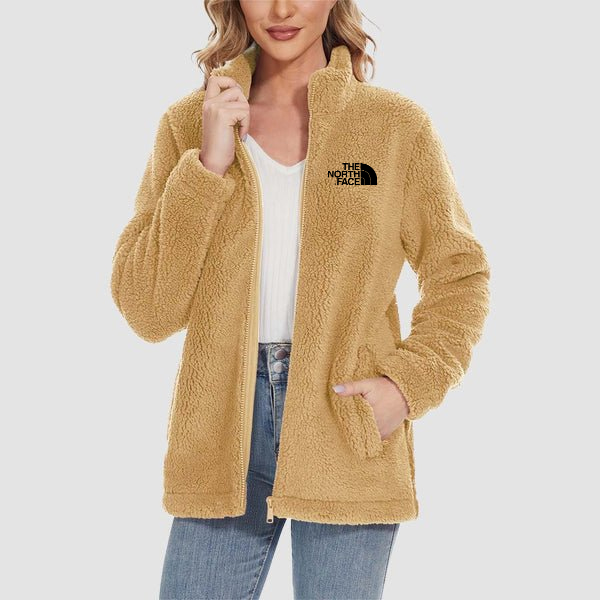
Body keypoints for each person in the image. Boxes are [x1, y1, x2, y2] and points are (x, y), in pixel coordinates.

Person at [110, 0, 491, 597]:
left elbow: (460, 273)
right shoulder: (190, 124)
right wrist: (207, 167)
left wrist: (407, 385)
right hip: (221, 432)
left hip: (345, 421)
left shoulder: (393, 127)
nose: (282, 9)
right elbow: (146, 309)